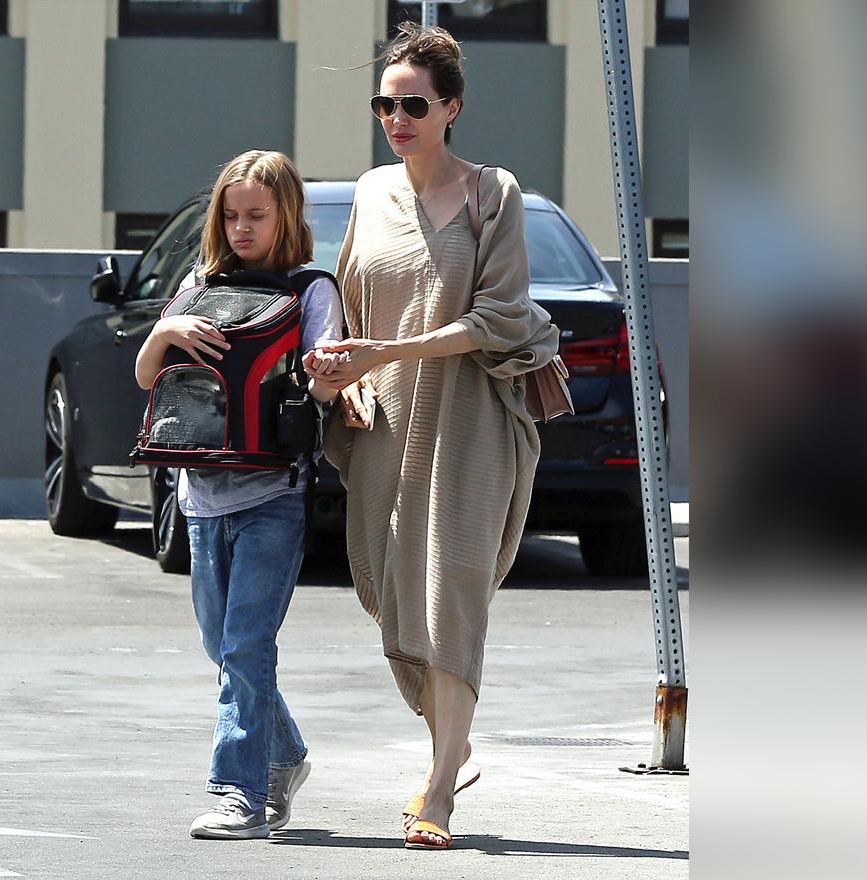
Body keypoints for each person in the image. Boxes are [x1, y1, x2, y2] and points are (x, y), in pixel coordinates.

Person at [306, 24, 559, 850]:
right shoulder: (371, 192)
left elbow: (501, 316)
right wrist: (342, 373)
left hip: (473, 417)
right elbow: (346, 303)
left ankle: (441, 784)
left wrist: (392, 349)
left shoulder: (495, 193)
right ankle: (450, 738)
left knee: (450, 585)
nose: (396, 117)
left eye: (413, 103)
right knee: (388, 588)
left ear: (451, 107)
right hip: (386, 419)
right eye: (385, 103)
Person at [134, 150, 346, 840]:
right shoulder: (201, 281)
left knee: (247, 646)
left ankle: (241, 796)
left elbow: (323, 382)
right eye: (231, 214)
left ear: (286, 214)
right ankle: (282, 758)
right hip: (200, 498)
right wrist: (165, 330)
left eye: (256, 214)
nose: (242, 227)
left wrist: (322, 373)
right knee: (222, 647)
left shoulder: (313, 290)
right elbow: (147, 378)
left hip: (271, 496)